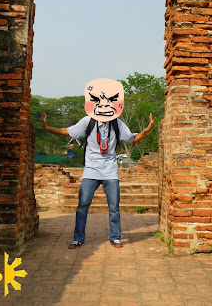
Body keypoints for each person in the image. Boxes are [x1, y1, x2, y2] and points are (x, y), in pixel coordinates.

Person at [41, 78, 154, 249]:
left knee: (114, 207)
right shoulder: (88, 121)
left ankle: (115, 237)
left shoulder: (117, 123)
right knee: (82, 205)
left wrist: (147, 129)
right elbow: (67, 131)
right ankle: (78, 238)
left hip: (110, 171)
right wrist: (47, 128)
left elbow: (132, 139)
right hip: (91, 171)